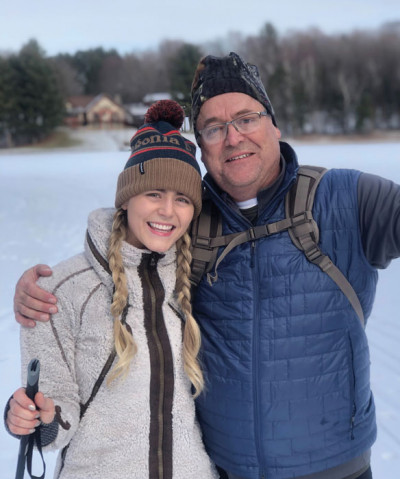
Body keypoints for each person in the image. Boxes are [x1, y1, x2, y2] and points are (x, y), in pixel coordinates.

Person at [12, 52, 400, 479]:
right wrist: (42, 288)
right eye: (214, 128)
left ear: (274, 123)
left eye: (247, 118)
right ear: (203, 146)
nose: (233, 137)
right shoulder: (190, 222)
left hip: (337, 470)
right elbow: (129, 246)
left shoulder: (346, 198)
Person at [6, 100, 218, 479]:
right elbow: (55, 415)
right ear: (127, 198)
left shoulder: (202, 278)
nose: (168, 211)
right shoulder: (60, 290)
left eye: (182, 199)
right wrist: (37, 415)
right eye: (154, 193)